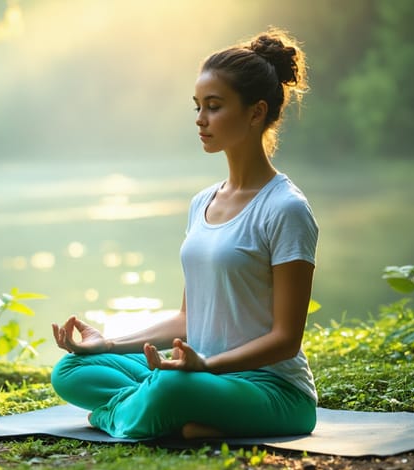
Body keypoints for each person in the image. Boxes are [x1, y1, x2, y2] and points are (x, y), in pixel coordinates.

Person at [50, 28, 319, 440]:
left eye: (214, 106)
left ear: (256, 112)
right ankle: (179, 418)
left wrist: (206, 367)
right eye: (197, 106)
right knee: (72, 369)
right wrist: (108, 344)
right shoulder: (201, 203)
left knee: (171, 387)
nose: (200, 119)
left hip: (271, 389)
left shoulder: (286, 209)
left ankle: (116, 416)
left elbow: (285, 340)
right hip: (200, 373)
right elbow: (186, 319)